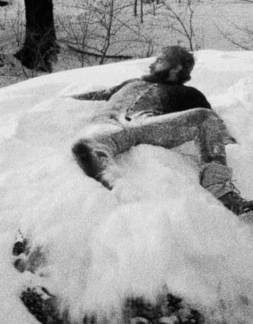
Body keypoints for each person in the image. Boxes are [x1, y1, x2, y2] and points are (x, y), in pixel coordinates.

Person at [70, 45, 252, 216]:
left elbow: (213, 121)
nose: (151, 64)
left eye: (159, 60)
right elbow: (95, 95)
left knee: (204, 116)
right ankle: (118, 188)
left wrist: (228, 142)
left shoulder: (189, 93)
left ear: (176, 68)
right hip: (107, 124)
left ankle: (221, 190)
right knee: (85, 145)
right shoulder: (131, 83)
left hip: (146, 124)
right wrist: (63, 100)